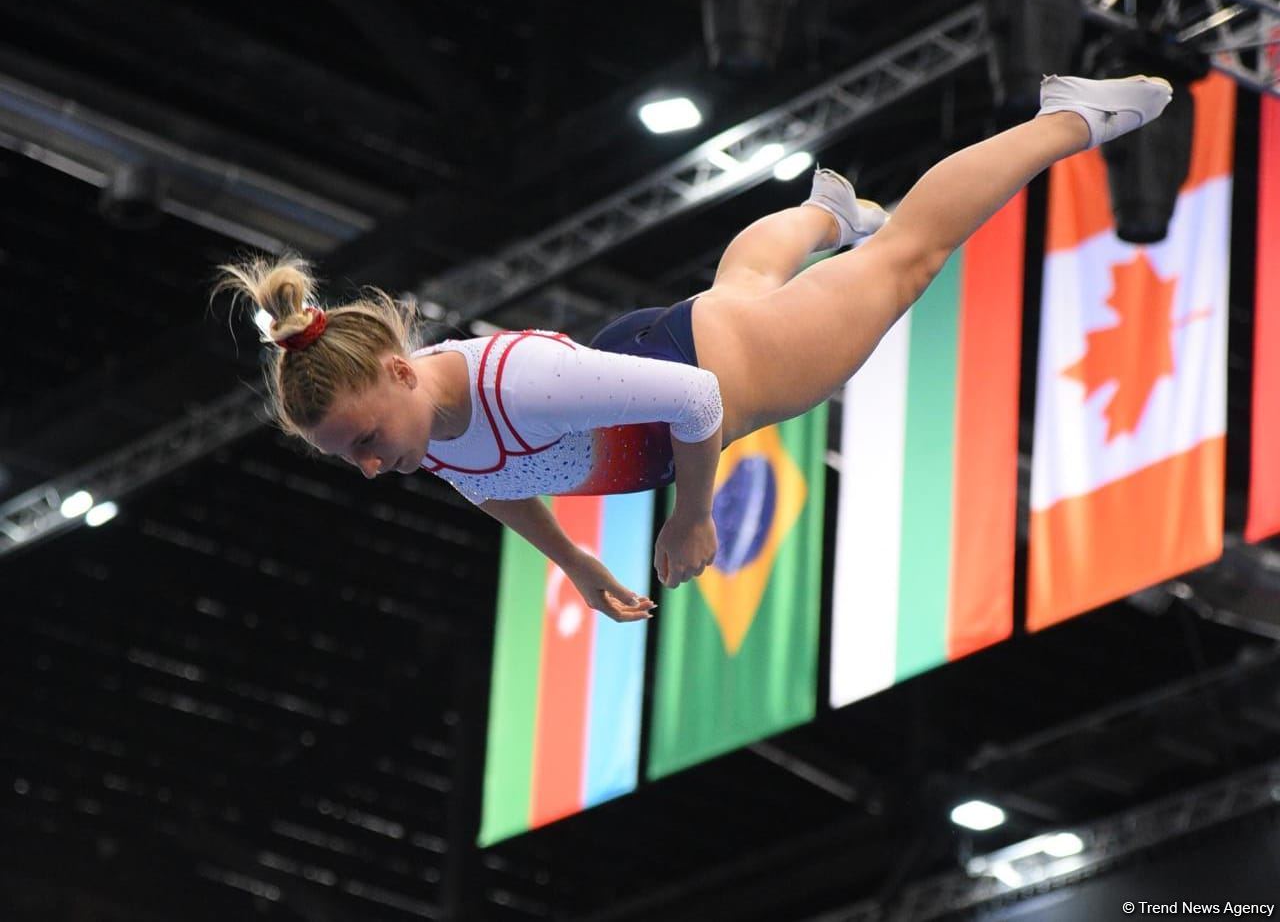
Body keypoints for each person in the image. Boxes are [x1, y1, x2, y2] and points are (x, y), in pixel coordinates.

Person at [215, 74, 1171, 624]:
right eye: (355, 459)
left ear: (395, 369)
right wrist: (575, 564)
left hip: (720, 375)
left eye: (368, 441)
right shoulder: (425, 422)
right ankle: (822, 215)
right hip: (658, 353)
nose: (377, 468)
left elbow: (700, 403)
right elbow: (486, 481)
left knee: (910, 259)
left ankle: (1068, 116)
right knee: (742, 289)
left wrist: (693, 517)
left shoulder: (513, 379)